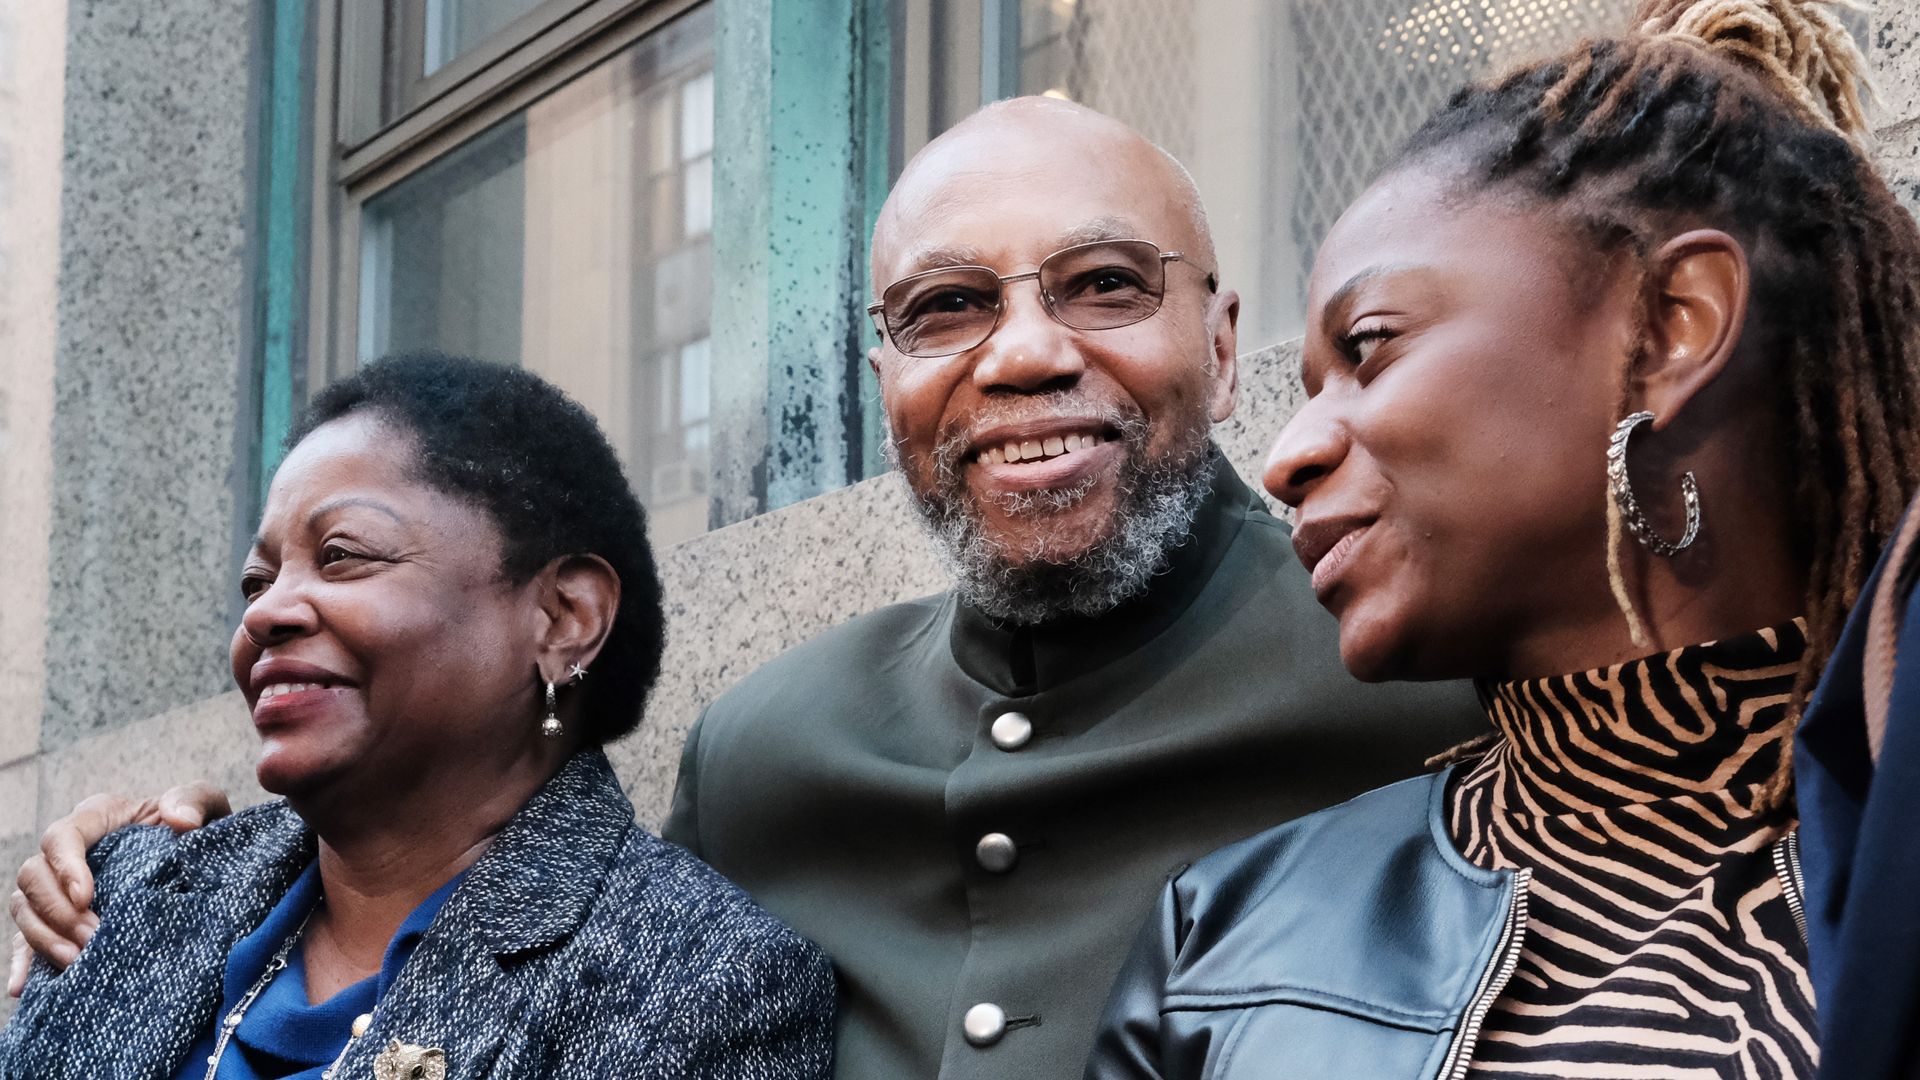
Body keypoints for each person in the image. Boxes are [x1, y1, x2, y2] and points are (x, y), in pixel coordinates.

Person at [9, 101, 1484, 1079]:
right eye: (947, 308)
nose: (1025, 353)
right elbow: (529, 942)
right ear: (887, 383)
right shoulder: (768, 743)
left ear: (1224, 346)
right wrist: (190, 866)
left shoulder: (1437, 666)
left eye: (1104, 284)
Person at [1087, 0, 1920, 1076]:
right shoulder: (1221, 940)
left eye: (1372, 347)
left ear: (1675, 325)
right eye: (1305, 385)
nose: (1289, 455)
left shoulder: (1894, 848)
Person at [0, 354, 834, 1078]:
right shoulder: (121, 895)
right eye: (257, 583)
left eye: (342, 556)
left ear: (563, 617)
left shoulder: (700, 985)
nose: (267, 613)